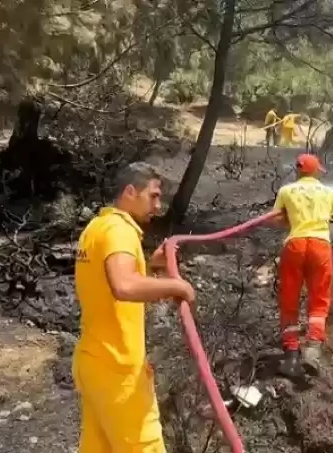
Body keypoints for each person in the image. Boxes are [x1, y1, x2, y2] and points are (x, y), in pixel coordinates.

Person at [73, 161, 196, 453]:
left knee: (99, 447)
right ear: (130, 191)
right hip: (118, 371)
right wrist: (178, 287)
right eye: (153, 195)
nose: (158, 204)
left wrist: (151, 264)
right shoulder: (120, 231)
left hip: (94, 362)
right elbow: (124, 286)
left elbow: (109, 279)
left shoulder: (99, 226)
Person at [270, 153, 333, 377]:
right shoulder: (329, 192)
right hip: (320, 247)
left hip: (294, 245)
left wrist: (292, 219)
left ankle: (291, 354)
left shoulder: (286, 191)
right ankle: (313, 350)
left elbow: (275, 219)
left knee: (290, 298)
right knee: (319, 299)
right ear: (316, 172)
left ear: (298, 170)